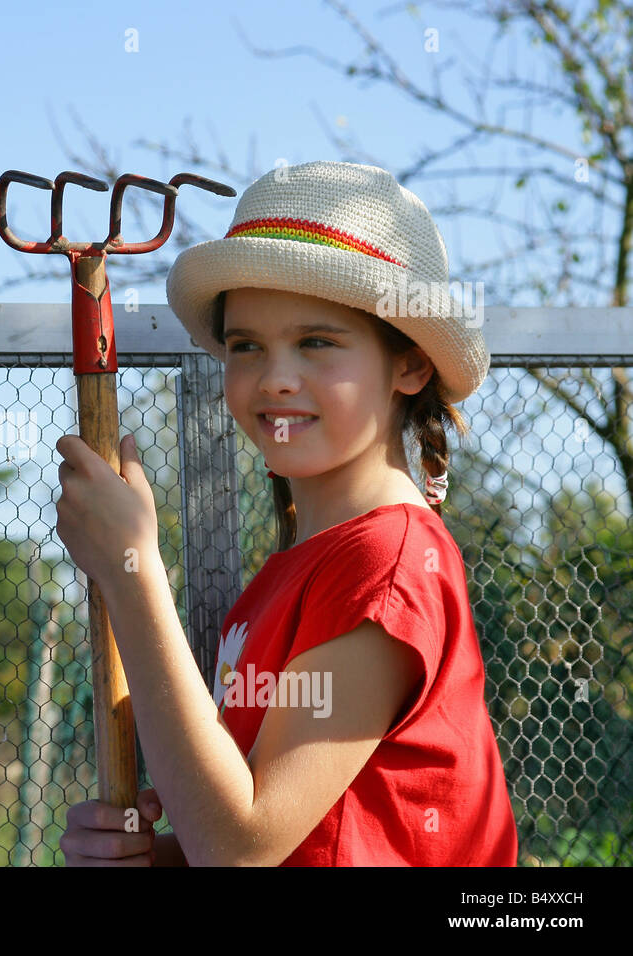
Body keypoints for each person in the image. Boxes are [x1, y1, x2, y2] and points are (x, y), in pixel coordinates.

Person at [54, 160, 517, 866]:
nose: (274, 379)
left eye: (317, 342)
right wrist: (163, 859)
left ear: (411, 365)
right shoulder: (297, 570)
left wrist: (132, 570)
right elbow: (291, 829)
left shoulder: (386, 564)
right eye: (247, 346)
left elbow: (241, 847)